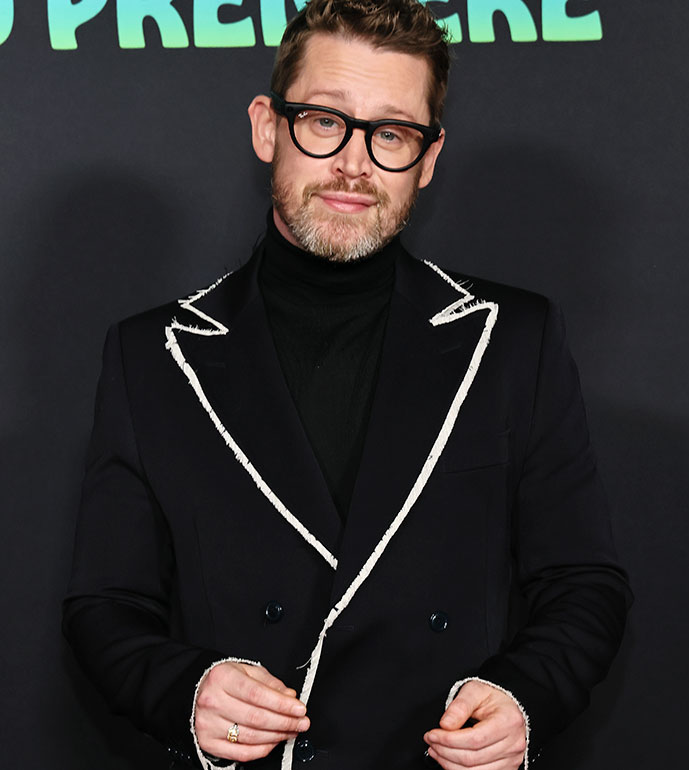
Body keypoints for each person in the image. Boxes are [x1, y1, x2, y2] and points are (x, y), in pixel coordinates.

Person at [63, 1, 632, 769]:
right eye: (325, 122)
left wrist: (527, 695)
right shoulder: (153, 354)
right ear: (268, 128)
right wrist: (183, 690)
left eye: (391, 133)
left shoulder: (513, 340)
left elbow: (582, 580)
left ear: (428, 158)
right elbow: (106, 605)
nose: (355, 164)